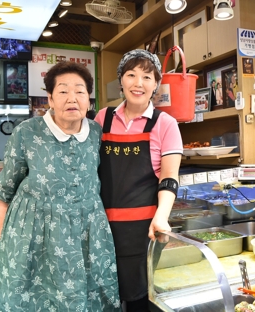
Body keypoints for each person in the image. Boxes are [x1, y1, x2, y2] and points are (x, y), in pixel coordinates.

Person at [0, 61, 121, 311]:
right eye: (63, 91)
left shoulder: (96, 132)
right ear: (50, 99)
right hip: (34, 233)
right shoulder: (26, 132)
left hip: (87, 232)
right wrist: (6, 240)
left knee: (90, 295)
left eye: (80, 91)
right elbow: (5, 190)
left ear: (89, 101)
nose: (72, 98)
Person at [95, 49, 183, 312]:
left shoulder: (165, 124)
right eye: (131, 75)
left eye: (147, 76)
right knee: (102, 297)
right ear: (121, 80)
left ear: (156, 83)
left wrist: (162, 216)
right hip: (101, 228)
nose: (138, 83)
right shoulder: (102, 118)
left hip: (143, 230)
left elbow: (169, 177)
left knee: (138, 301)